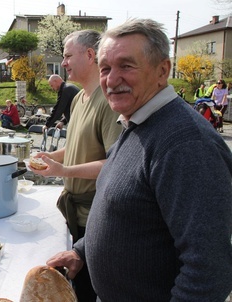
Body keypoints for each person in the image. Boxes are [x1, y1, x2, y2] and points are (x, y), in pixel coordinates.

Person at [47, 19, 232, 301]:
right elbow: (125, 207)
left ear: (162, 71)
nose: (111, 79)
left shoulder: (186, 144)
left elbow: (209, 268)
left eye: (126, 66)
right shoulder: (137, 121)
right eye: (106, 68)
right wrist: (81, 251)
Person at [31, 29, 122, 302]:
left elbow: (115, 163)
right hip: (75, 215)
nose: (64, 63)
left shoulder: (108, 101)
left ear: (91, 55)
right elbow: (77, 146)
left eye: (68, 56)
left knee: (89, 291)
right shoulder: (79, 99)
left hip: (96, 216)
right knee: (76, 289)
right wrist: (51, 158)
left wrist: (65, 172)